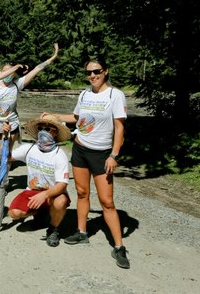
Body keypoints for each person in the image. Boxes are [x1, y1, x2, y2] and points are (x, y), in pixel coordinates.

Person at [44, 57, 130, 268]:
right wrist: (55, 115)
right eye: (89, 72)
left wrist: (114, 155)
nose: (93, 75)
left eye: (97, 71)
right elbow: (76, 117)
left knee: (107, 202)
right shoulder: (84, 94)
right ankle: (82, 232)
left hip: (102, 154)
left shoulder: (115, 95)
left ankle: (119, 246)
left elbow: (120, 128)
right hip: (80, 149)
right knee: (82, 193)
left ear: (106, 71)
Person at [0, 43, 59, 170]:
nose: (8, 74)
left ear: (15, 73)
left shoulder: (18, 84)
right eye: (5, 71)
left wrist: (53, 57)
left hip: (11, 124)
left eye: (11, 71)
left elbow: (37, 69)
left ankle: (3, 183)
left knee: (6, 154)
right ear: (1, 72)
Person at [7, 115, 71, 247]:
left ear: (55, 132)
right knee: (14, 213)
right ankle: (40, 212)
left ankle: (53, 229)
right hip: (32, 191)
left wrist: (45, 195)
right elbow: (7, 157)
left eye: (47, 129)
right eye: (40, 128)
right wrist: (6, 137)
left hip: (51, 194)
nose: (43, 131)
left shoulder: (59, 155)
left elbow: (62, 184)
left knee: (60, 202)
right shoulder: (29, 148)